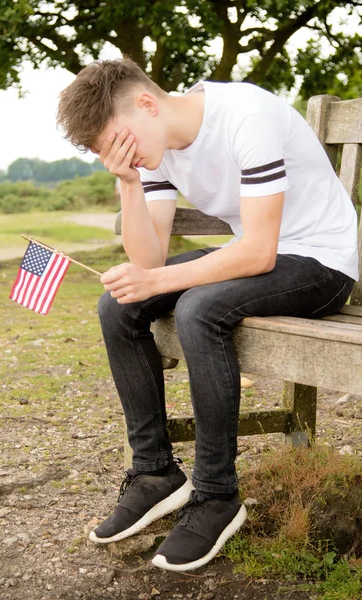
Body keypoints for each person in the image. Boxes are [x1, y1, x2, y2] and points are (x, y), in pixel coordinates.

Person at [57, 57, 358, 572]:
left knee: (198, 308)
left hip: (320, 264)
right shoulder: (158, 149)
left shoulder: (245, 115)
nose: (115, 155)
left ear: (147, 105)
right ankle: (155, 473)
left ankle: (217, 495)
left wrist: (158, 280)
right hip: (258, 261)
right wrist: (128, 183)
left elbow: (261, 251)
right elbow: (148, 261)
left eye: (115, 142)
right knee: (118, 304)